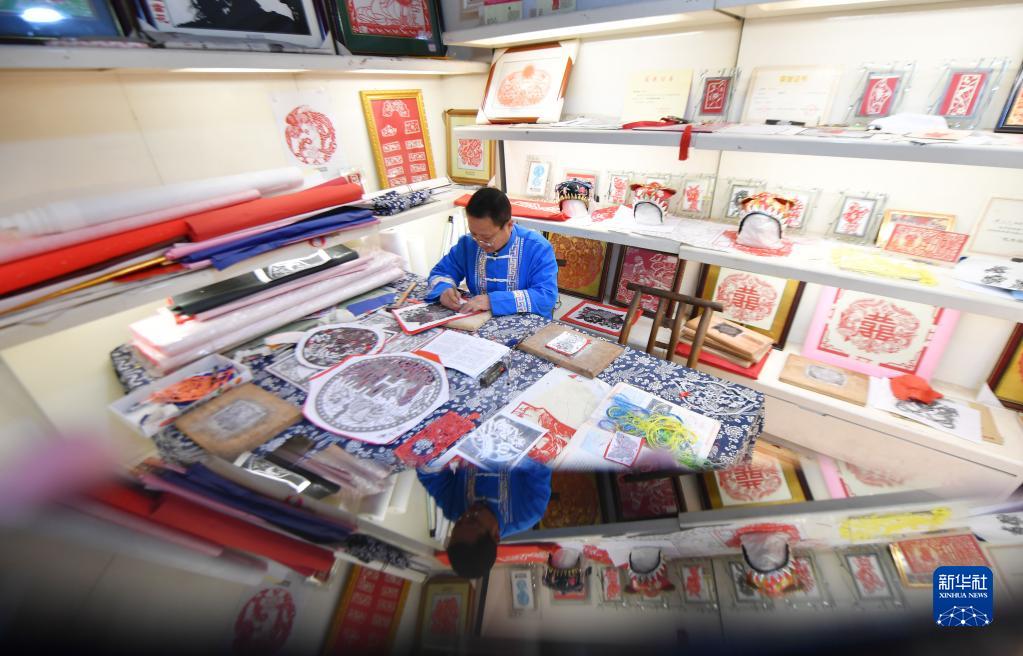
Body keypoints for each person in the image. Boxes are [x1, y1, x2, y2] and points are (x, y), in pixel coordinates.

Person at [425, 187, 559, 318]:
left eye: (487, 238)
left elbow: (546, 297)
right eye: (474, 234)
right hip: (478, 321)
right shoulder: (468, 244)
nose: (479, 243)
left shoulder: (538, 248)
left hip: (527, 324)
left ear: (509, 225)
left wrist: (492, 301)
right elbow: (441, 272)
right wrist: (444, 288)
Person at [418, 458, 552, 579]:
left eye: (458, 522)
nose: (466, 513)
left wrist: (438, 460)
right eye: (473, 520)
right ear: (495, 535)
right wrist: (506, 453)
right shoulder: (528, 511)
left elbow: (429, 475)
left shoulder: (453, 508)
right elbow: (541, 466)